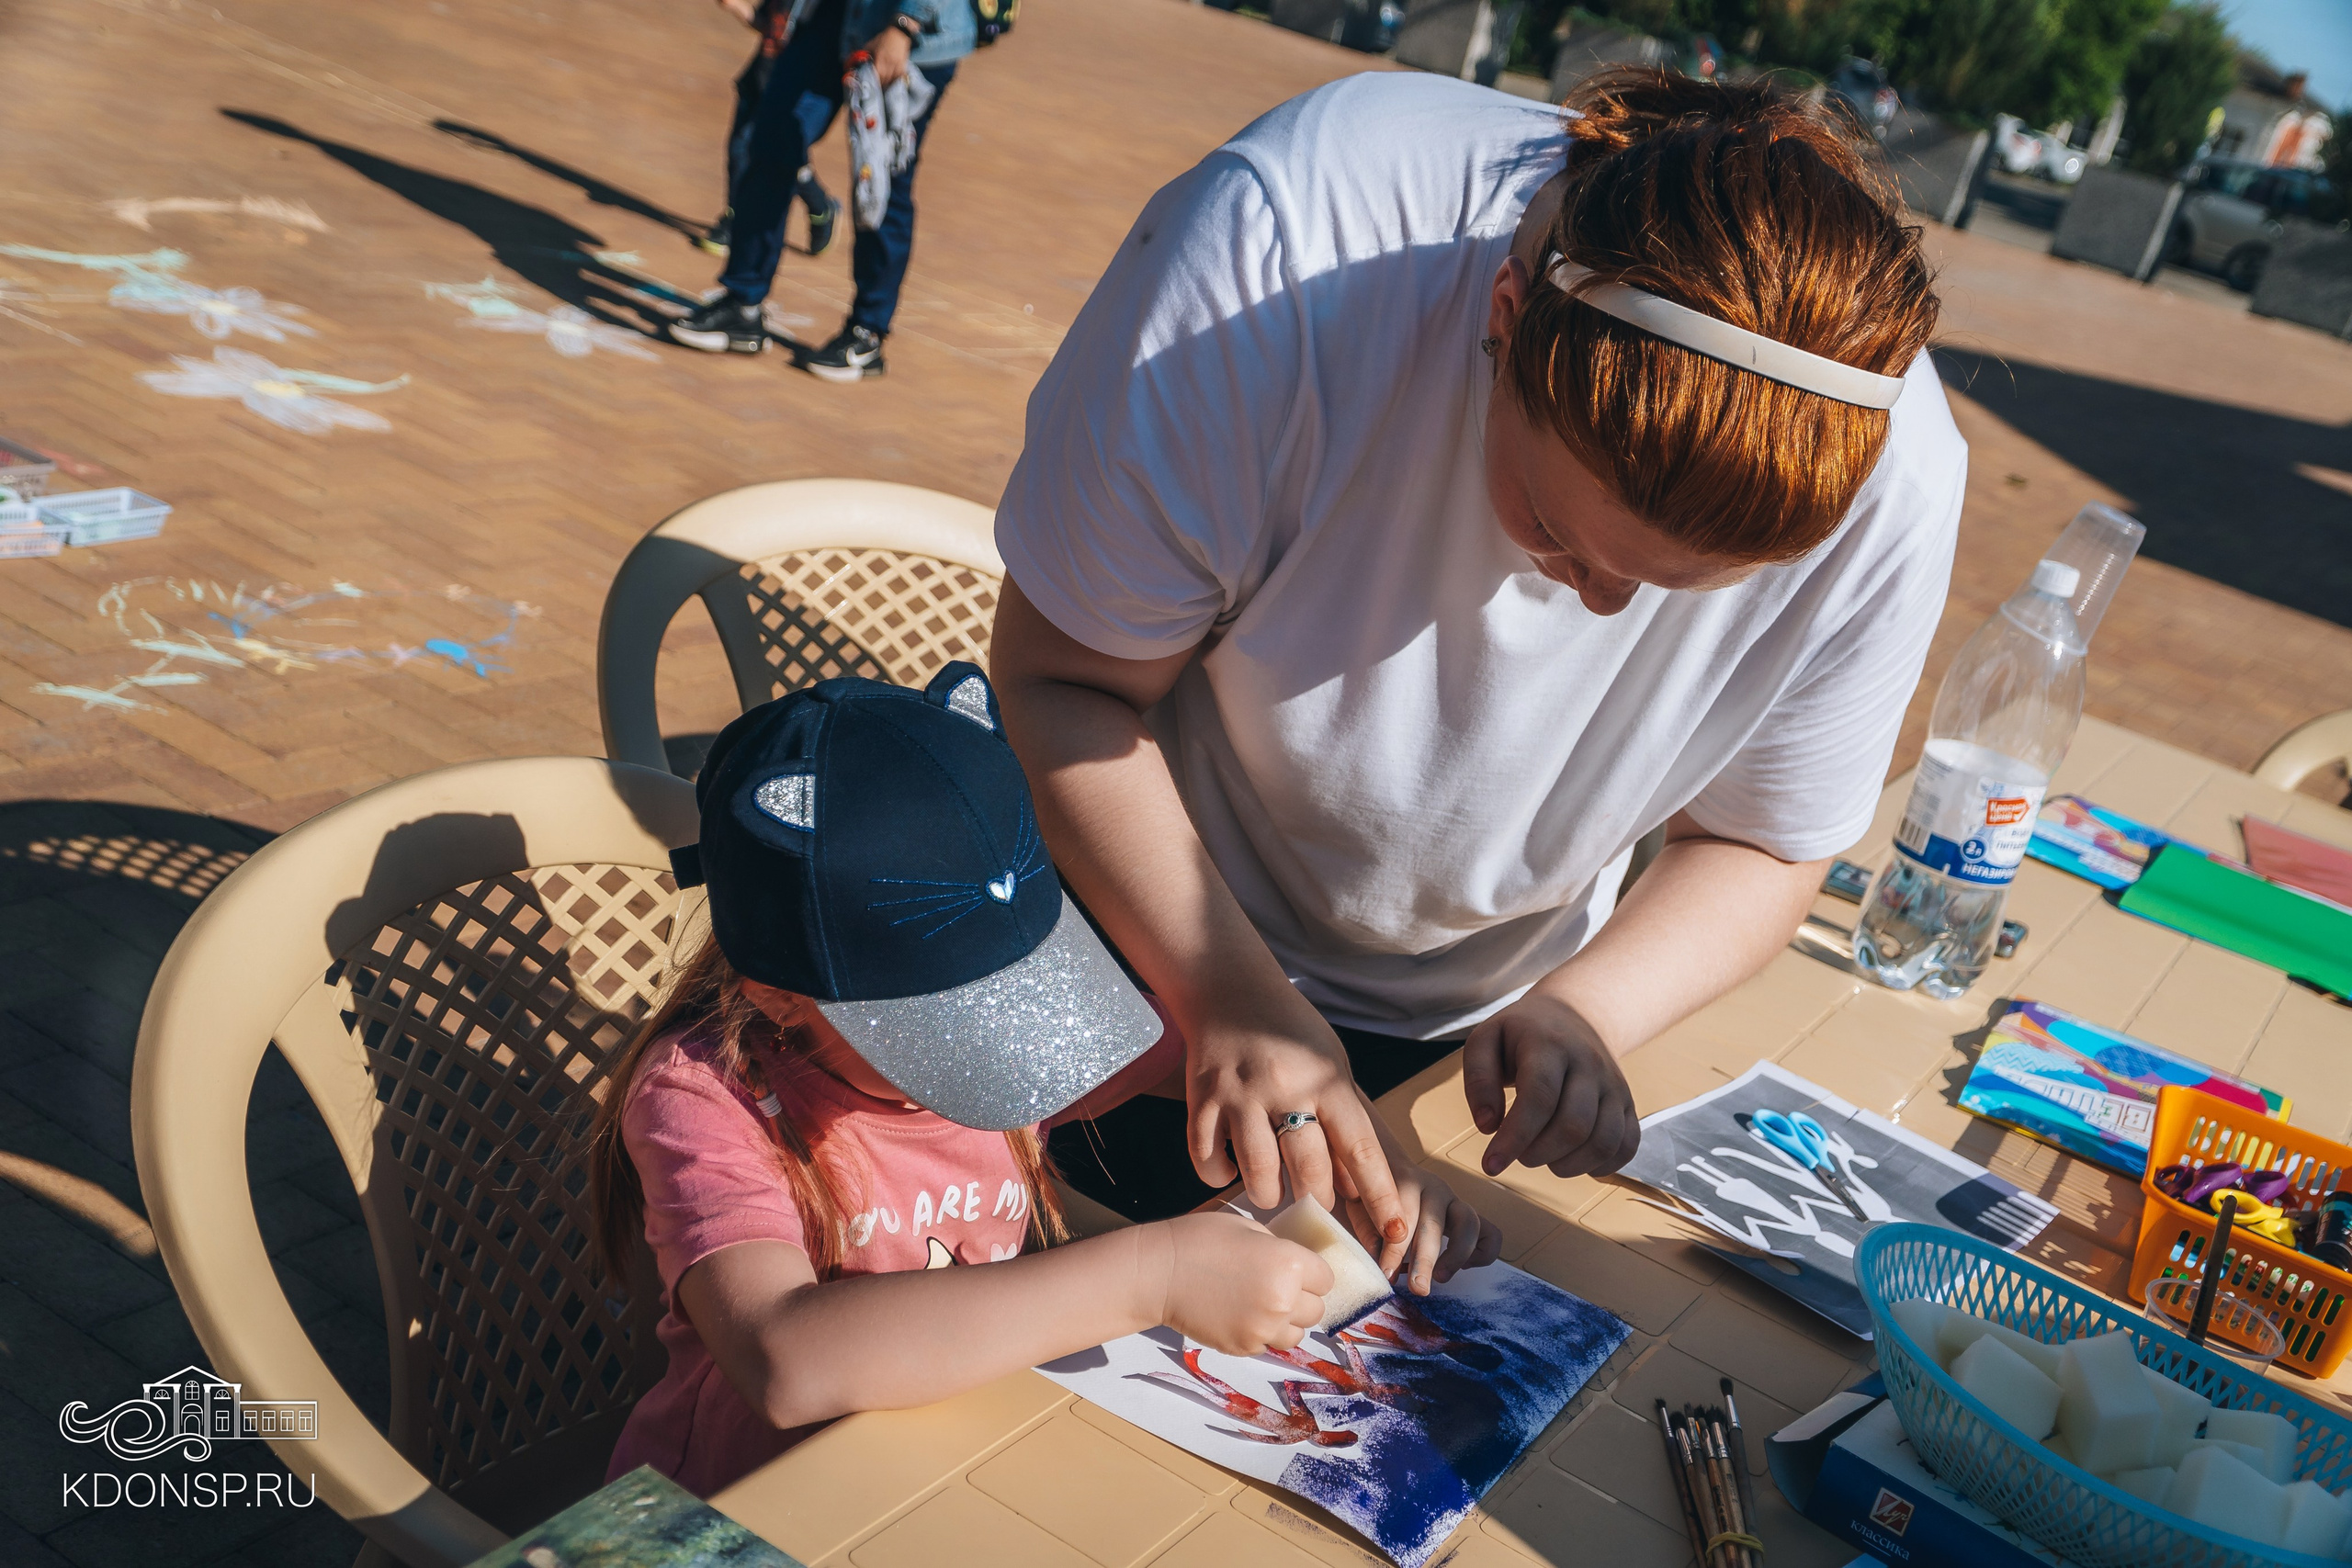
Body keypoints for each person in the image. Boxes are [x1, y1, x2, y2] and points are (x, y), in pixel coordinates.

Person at [990, 67, 1964, 1232]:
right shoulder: (1292, 239)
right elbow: (1061, 684)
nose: (1604, 608)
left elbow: (1761, 840)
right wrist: (1223, 988)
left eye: (1679, 591)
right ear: (1503, 320)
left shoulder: (1891, 477)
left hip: (1466, 1031)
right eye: (1558, 534)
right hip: (1134, 931)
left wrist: (1589, 1009)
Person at [590, 665, 1498, 1495]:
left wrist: (1381, 1174)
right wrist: (1157, 1271)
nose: (1014, 1049)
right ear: (782, 997)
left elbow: (1264, 1079)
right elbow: (785, 1360)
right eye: (956, 1031)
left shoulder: (1023, 1020)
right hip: (753, 1514)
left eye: (1020, 1002)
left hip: (963, 1470)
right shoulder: (704, 1103)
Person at [670, 0, 970, 379]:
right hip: (836, 16)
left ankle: (867, 332)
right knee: (771, 141)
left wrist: (905, 25)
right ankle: (743, 304)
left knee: (882, 179)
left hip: (913, 35)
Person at [700, 0, 841, 264]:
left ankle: (738, 220)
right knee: (746, 152)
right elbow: (769, 25)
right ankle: (819, 206)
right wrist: (736, 7)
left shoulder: (825, 8)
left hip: (786, 90)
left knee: (758, 152)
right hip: (758, 78)